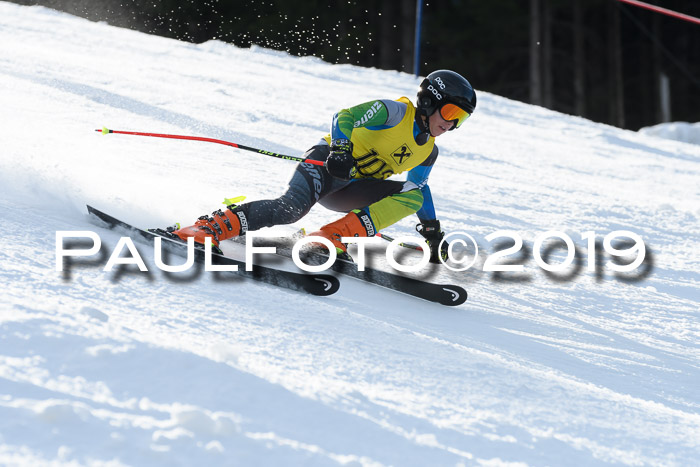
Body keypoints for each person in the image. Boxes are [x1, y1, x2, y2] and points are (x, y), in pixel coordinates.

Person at [171, 70, 477, 263]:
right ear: (429, 101)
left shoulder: (428, 151)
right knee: (290, 209)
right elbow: (343, 117)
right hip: (328, 165)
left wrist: (432, 232)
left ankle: (330, 236)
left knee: (416, 194)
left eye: (460, 120)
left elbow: (419, 190)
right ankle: (206, 228)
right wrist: (341, 149)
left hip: (352, 189)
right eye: (450, 112)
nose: (450, 124)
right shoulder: (394, 112)